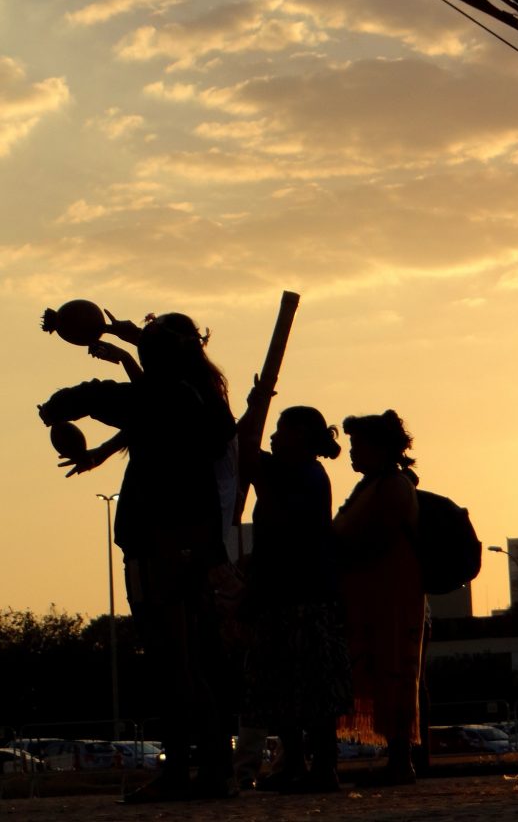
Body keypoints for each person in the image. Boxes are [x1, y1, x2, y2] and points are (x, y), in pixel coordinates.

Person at [38, 312, 239, 802]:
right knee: (193, 660)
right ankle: (214, 769)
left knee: (174, 660)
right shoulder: (203, 399)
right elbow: (135, 404)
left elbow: (95, 396)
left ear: (158, 356)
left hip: (161, 543)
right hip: (193, 542)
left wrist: (56, 407)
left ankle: (183, 773)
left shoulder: (164, 396)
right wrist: (130, 348)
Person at [238, 406, 352, 793]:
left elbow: (286, 523)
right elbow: (244, 444)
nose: (274, 435)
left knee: (312, 686)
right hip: (276, 592)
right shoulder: (281, 470)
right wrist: (257, 402)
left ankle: (323, 766)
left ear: (301, 435)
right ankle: (295, 764)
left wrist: (260, 481)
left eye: (282, 429)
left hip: (306, 593)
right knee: (278, 685)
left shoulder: (308, 476)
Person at [334, 410, 425, 784]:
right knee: (379, 671)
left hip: (390, 598)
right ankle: (396, 760)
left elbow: (377, 539)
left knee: (393, 672)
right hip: (372, 597)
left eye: (358, 445)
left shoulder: (391, 487)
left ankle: (400, 761)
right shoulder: (375, 485)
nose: (352, 453)